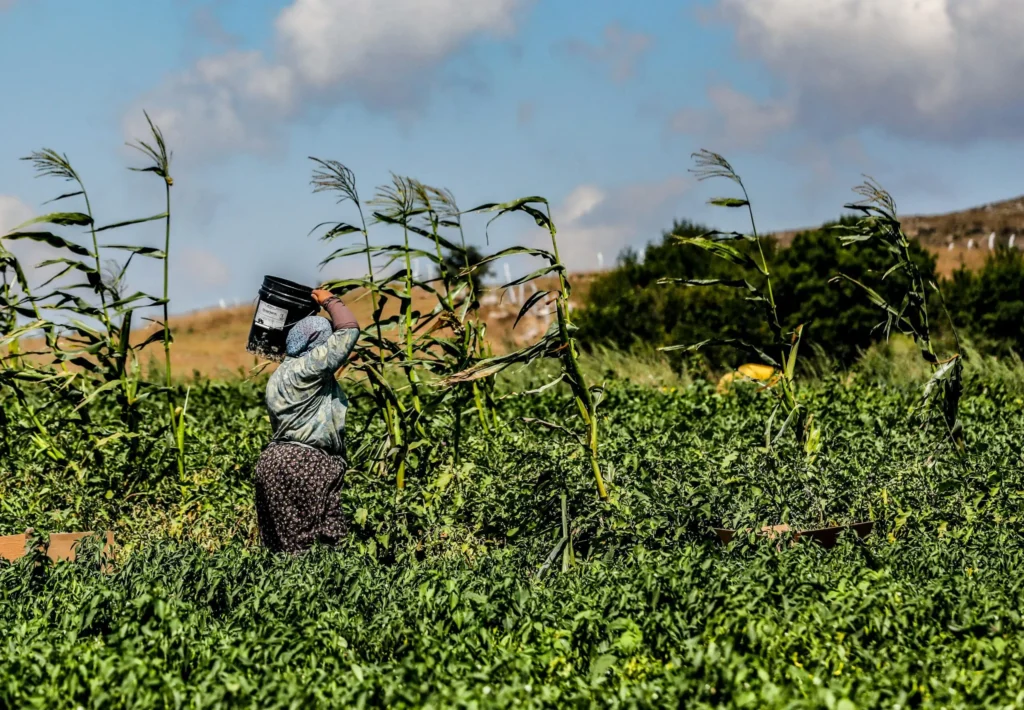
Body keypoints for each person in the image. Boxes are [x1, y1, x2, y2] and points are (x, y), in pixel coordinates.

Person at [254, 288, 360, 553]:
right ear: (317, 342)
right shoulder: (311, 367)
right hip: (306, 462)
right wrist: (329, 302)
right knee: (320, 543)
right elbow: (349, 331)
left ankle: (282, 592)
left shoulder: (280, 373)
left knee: (281, 545)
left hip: (272, 461)